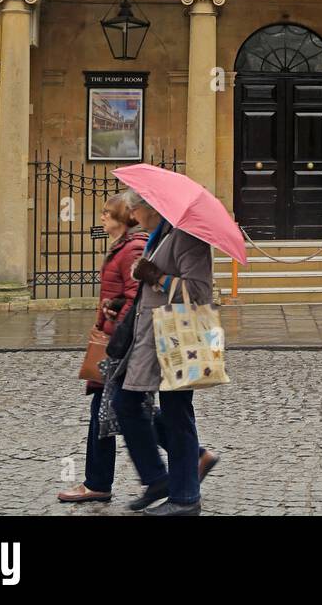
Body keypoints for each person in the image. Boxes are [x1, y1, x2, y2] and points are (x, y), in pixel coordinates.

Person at [112, 190, 218, 516]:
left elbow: (199, 293)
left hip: (176, 340)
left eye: (134, 210)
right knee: (124, 401)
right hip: (149, 338)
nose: (131, 217)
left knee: (177, 414)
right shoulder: (161, 235)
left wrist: (156, 277)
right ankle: (159, 479)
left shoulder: (188, 238)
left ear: (150, 208)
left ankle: (185, 498)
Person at [57, 195, 147, 503]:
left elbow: (137, 300)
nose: (102, 218)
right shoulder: (122, 247)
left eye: (107, 213)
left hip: (121, 344)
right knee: (115, 409)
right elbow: (126, 295)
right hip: (112, 339)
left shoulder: (132, 247)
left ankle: (99, 482)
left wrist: (117, 324)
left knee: (118, 409)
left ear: (124, 216)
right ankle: (98, 482)